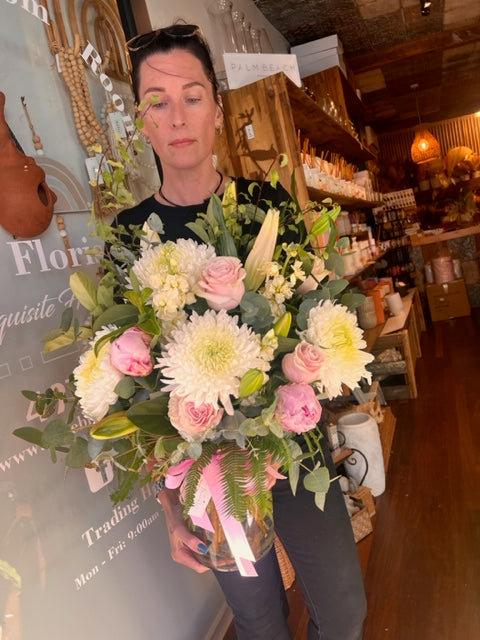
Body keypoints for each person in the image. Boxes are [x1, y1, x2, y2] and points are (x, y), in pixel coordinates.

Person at [114, 21, 367, 640]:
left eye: (193, 96)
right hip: (209, 473)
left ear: (218, 112)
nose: (177, 117)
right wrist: (170, 508)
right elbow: (133, 385)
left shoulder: (267, 207)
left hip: (294, 452)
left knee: (345, 610)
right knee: (258, 623)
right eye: (158, 102)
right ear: (143, 122)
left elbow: (307, 316)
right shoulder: (130, 235)